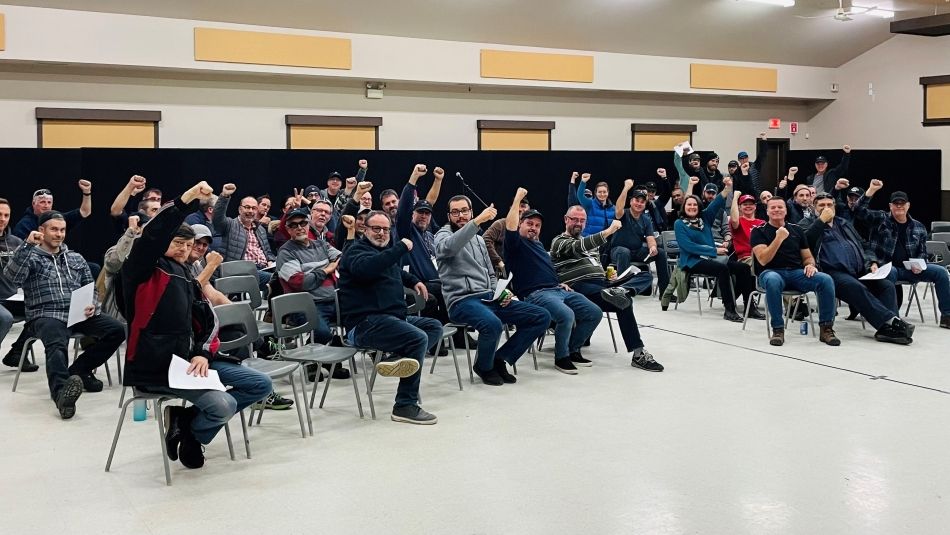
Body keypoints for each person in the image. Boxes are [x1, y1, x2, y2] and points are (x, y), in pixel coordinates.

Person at [121, 181, 272, 468]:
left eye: (189, 246)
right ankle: (196, 435)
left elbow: (205, 317)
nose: (184, 250)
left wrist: (203, 351)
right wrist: (186, 199)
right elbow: (154, 235)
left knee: (260, 385)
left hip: (192, 360)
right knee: (223, 404)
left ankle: (188, 424)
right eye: (178, 243)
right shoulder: (140, 269)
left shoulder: (185, 273)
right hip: (157, 364)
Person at [4, 210, 126, 419]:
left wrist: (92, 305)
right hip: (44, 314)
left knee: (117, 329)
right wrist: (27, 246)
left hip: (77, 314)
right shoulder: (30, 256)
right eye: (53, 229)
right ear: (41, 231)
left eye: (62, 230)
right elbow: (11, 277)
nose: (59, 234)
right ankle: (61, 395)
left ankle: (79, 369)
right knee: (56, 341)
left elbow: (92, 289)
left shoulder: (75, 258)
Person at [338, 210, 441, 424]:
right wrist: (400, 247)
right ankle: (404, 405)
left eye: (385, 229)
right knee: (418, 338)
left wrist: (413, 281)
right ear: (364, 230)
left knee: (433, 327)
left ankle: (397, 356)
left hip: (390, 320)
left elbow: (394, 270)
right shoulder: (355, 252)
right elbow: (369, 268)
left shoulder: (382, 253)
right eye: (376, 228)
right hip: (365, 324)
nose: (382, 233)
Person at [434, 196, 550, 385]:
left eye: (464, 211)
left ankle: (500, 358)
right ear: (449, 216)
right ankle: (484, 366)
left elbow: (491, 273)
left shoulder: (479, 240)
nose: (460, 215)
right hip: (461, 301)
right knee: (493, 324)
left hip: (489, 297)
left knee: (541, 316)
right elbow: (448, 248)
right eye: (455, 212)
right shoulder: (443, 234)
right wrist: (477, 221)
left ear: (470, 211)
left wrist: (501, 292)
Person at [551, 206, 663, 372]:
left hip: (603, 285)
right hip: (578, 287)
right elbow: (579, 246)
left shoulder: (590, 244)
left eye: (582, 220)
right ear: (566, 219)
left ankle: (623, 290)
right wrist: (608, 231)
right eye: (575, 219)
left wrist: (608, 277)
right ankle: (638, 353)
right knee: (624, 303)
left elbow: (593, 262)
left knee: (644, 275)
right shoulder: (559, 242)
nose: (578, 223)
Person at [504, 188, 602, 375]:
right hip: (535, 294)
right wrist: (518, 198)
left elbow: (545, 270)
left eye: (537, 225)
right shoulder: (515, 244)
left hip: (557, 290)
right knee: (566, 315)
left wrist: (559, 283)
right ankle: (561, 357)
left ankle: (573, 350)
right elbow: (509, 225)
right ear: (520, 225)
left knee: (594, 312)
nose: (533, 227)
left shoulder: (539, 245)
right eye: (529, 223)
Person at [805, 193, 915, 344]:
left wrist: (872, 262)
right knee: (856, 287)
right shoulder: (807, 223)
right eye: (821, 206)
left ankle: (889, 329)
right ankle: (892, 322)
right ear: (814, 208)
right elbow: (804, 241)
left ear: (835, 207)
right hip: (832, 273)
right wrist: (820, 221)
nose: (826, 208)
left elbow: (864, 245)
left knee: (886, 286)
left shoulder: (843, 223)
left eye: (829, 205)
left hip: (859, 269)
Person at [856, 185, 950, 329]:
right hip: (887, 268)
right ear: (890, 206)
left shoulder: (918, 227)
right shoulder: (880, 220)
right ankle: (894, 320)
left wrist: (920, 264)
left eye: (902, 204)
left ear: (908, 205)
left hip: (911, 269)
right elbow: (859, 211)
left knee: (941, 272)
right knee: (891, 271)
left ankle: (947, 316)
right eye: (896, 204)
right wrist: (870, 191)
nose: (899, 206)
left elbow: (923, 252)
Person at [751, 197, 841, 347]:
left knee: (825, 279)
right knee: (773, 280)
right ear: (767, 211)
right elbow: (763, 259)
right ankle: (778, 329)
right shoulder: (758, 231)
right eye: (772, 207)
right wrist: (778, 238)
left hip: (795, 273)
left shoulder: (797, 230)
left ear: (786, 211)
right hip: (770, 272)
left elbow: (807, 257)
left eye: (780, 207)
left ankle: (826, 328)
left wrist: (811, 265)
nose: (776, 210)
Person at [673, 177, 755, 322]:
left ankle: (750, 307)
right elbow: (688, 246)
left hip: (711, 258)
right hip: (692, 261)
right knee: (722, 269)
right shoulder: (679, 224)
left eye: (694, 205)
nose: (692, 207)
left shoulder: (705, 217)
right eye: (689, 205)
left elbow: (716, 203)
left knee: (743, 268)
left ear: (699, 207)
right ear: (684, 207)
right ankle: (729, 309)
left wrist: (727, 188)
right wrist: (713, 251)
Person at [212, 183, 275, 290]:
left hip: (264, 269)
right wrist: (224, 196)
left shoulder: (260, 229)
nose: (250, 211)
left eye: (254, 208)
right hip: (241, 272)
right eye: (247, 207)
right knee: (276, 280)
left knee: (285, 275)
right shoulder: (230, 225)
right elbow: (217, 218)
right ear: (240, 209)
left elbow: (268, 252)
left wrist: (270, 260)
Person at [611, 181, 669, 295]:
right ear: (631, 201)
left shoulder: (646, 219)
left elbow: (650, 237)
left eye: (642, 202)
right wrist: (626, 188)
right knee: (624, 252)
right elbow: (618, 208)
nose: (639, 204)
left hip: (637, 251)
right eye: (637, 200)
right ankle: (622, 290)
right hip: (618, 251)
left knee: (661, 253)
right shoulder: (623, 214)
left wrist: (653, 247)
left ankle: (665, 292)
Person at [0, 198, 27, 370]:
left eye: (6, 215)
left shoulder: (16, 242)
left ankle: (16, 352)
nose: (2, 219)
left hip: (13, 297)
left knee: (43, 313)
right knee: (5, 318)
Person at [13, 181, 92, 239]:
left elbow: (85, 212)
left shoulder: (58, 219)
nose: (46, 205)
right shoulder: (23, 226)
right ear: (33, 203)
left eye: (49, 202)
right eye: (42, 202)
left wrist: (87, 192)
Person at [483, 196, 530, 278]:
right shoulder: (500, 224)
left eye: (523, 206)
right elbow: (485, 239)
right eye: (517, 205)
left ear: (528, 210)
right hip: (500, 273)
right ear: (511, 208)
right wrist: (498, 261)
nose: (520, 209)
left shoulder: (529, 230)